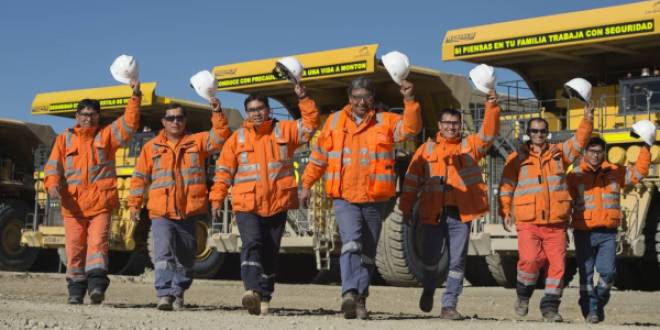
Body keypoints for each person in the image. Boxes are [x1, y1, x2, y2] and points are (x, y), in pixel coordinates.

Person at [299, 77, 421, 319]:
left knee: (367, 251)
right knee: (351, 243)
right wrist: (306, 184)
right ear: (349, 99)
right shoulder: (334, 122)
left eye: (366, 97)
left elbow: (411, 128)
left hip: (375, 198)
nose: (361, 102)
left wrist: (409, 100)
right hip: (344, 197)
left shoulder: (385, 121)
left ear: (373, 99)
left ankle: (360, 299)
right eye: (356, 97)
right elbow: (319, 158)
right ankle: (348, 292)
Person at [210, 83, 319, 315]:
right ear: (247, 113)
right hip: (247, 203)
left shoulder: (284, 131)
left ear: (268, 110)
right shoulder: (237, 139)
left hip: (278, 202)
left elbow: (310, 126)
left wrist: (304, 98)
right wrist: (217, 198)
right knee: (252, 243)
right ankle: (251, 290)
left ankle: (265, 294)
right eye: (251, 110)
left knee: (270, 250)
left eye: (260, 108)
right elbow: (224, 171)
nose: (257, 113)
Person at [399, 90, 500, 320]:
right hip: (432, 214)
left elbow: (488, 133)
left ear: (460, 125)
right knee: (430, 259)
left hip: (459, 215)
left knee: (457, 261)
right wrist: (405, 209)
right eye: (447, 123)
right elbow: (411, 183)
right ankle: (429, 288)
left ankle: (449, 304)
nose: (451, 127)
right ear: (439, 125)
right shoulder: (426, 150)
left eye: (455, 123)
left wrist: (491, 107)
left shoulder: (470, 146)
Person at [44, 80, 142, 305]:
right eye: (84, 114)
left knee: (98, 246)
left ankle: (97, 286)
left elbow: (129, 124)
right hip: (73, 206)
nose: (88, 118)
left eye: (92, 114)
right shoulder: (64, 139)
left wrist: (135, 97)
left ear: (98, 116)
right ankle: (76, 291)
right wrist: (51, 185)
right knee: (75, 249)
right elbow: (53, 166)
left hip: (100, 205)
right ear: (77, 116)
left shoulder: (106, 136)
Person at [128, 96, 230, 311]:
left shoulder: (198, 142)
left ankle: (178, 291)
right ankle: (164, 294)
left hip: (189, 211)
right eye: (171, 118)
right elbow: (139, 178)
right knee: (163, 253)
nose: (175, 122)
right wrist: (135, 205)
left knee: (186, 256)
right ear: (163, 122)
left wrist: (217, 110)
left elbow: (221, 136)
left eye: (179, 118)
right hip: (160, 211)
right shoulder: (151, 147)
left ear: (185, 121)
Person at [498, 104, 594, 322]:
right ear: (528, 134)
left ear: (547, 133)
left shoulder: (559, 154)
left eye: (542, 131)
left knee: (558, 267)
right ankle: (523, 295)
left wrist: (587, 119)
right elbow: (506, 187)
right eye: (534, 131)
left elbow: (579, 143)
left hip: (556, 223)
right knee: (531, 260)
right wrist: (505, 211)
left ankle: (550, 307)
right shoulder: (516, 159)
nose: (539, 134)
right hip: (528, 222)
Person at [568, 137, 650, 323]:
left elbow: (639, 172)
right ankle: (591, 310)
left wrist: (646, 146)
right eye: (592, 151)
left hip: (608, 233)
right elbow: (564, 201)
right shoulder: (575, 175)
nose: (595, 155)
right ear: (585, 152)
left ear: (603, 153)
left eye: (599, 152)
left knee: (609, 273)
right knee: (586, 274)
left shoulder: (615, 172)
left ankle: (597, 301)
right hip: (584, 232)